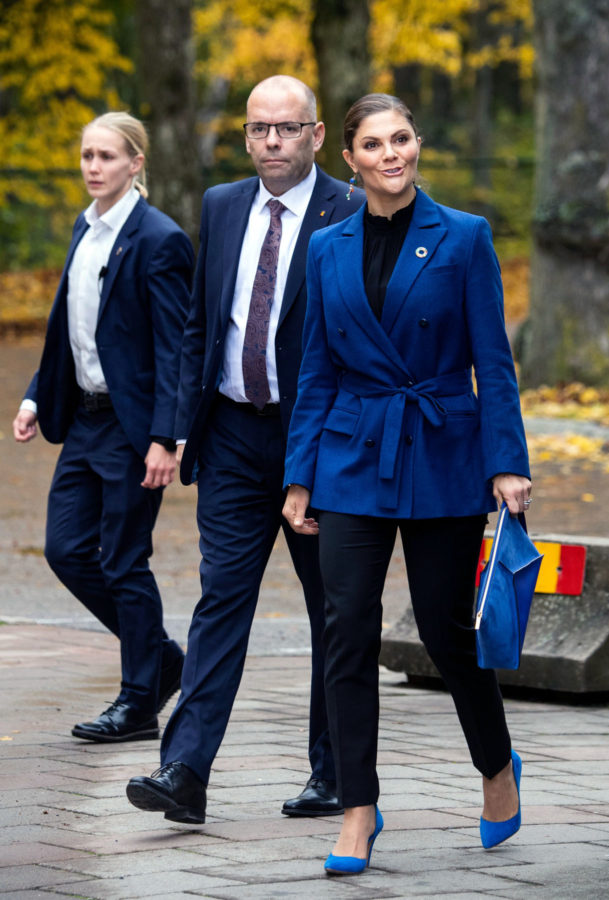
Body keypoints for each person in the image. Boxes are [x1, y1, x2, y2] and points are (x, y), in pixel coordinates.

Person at [282, 93, 532, 875]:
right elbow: (317, 370)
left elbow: (493, 360)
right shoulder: (326, 246)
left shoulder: (464, 236)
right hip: (352, 453)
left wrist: (508, 460)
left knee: (445, 629)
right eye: (373, 144)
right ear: (348, 158)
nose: (390, 154)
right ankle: (358, 808)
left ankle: (495, 764)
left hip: (442, 447)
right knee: (345, 628)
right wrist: (299, 475)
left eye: (401, 139)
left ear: (417, 144)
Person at [125, 75, 364, 825]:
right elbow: (201, 323)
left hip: (314, 443)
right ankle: (184, 770)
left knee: (332, 610)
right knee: (221, 600)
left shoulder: (350, 211)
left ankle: (334, 773)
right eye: (259, 128)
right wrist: (176, 426)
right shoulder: (223, 205)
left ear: (316, 135)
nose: (271, 141)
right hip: (230, 434)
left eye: (287, 128)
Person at [12, 112, 194, 743]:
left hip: (132, 428)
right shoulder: (83, 228)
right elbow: (70, 329)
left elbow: (177, 349)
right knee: (65, 550)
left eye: (107, 156)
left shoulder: (160, 239)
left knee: (123, 560)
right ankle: (162, 660)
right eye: (87, 155)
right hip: (83, 422)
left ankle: (139, 701)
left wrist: (167, 438)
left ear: (136, 163)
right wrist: (35, 396)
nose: (94, 167)